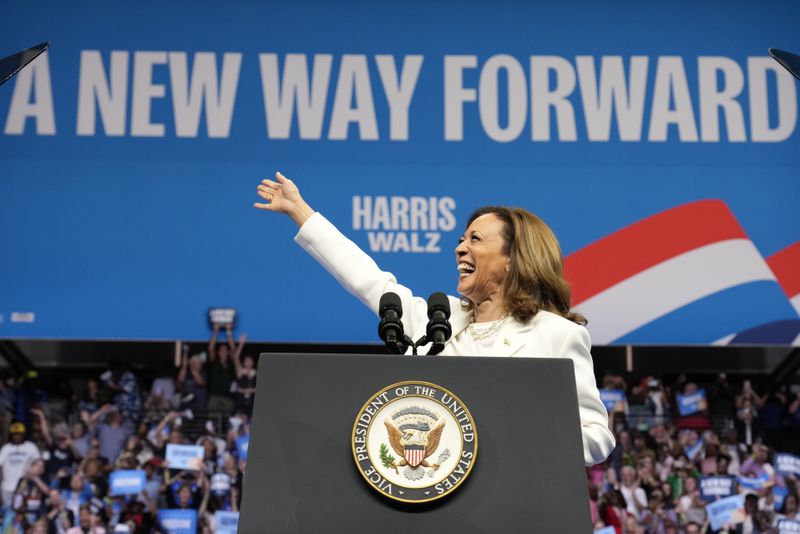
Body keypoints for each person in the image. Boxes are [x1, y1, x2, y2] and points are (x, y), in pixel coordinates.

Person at [253, 171, 615, 465]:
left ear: (512, 260)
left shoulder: (556, 335)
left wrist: (521, 436)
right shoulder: (435, 324)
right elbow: (367, 280)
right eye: (461, 239)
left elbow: (597, 437)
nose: (460, 248)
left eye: (475, 239)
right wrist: (299, 210)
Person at [0, 421, 41, 507]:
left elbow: (39, 464)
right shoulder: (6, 448)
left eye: (19, 434)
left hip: (24, 487)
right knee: (8, 513)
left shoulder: (31, 447)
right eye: (15, 434)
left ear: (24, 434)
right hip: (7, 487)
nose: (17, 436)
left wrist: (32, 474)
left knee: (23, 511)